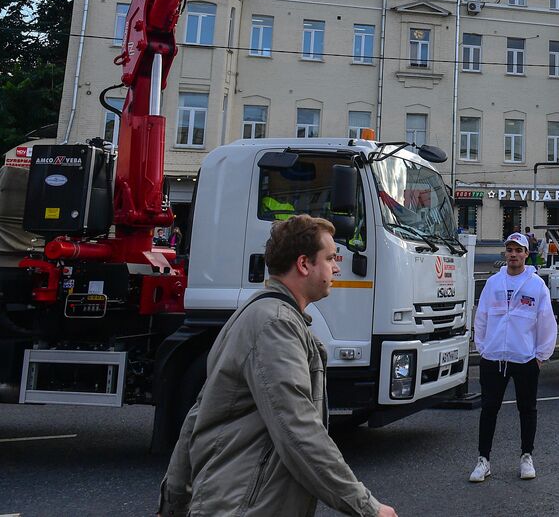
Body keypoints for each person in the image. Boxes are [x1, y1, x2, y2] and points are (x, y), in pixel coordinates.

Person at [160, 216, 397, 517]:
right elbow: (298, 430)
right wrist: (368, 508)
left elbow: (198, 414)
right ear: (303, 264)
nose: (337, 267)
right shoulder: (275, 325)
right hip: (245, 507)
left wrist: (173, 501)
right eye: (329, 258)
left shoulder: (257, 314)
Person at [470, 232, 558, 483]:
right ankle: (483, 460)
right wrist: (484, 348)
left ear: (526, 254)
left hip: (525, 358)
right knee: (489, 409)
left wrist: (541, 356)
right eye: (509, 250)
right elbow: (482, 315)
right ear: (505, 254)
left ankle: (526, 457)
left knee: (527, 409)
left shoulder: (536, 285)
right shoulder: (493, 283)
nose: (513, 255)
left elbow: (546, 322)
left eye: (518, 250)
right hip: (494, 358)